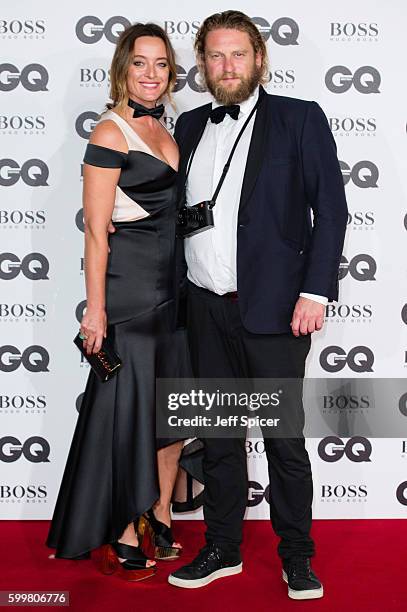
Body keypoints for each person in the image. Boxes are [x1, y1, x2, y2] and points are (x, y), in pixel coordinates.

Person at [168, 11, 348, 599]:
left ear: (259, 59)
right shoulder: (190, 125)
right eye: (215, 56)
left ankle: (297, 556)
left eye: (237, 54)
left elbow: (332, 211)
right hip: (204, 309)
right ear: (202, 66)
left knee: (282, 441)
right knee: (218, 439)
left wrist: (315, 291)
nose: (226, 66)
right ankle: (222, 549)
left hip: (274, 312)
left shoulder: (299, 118)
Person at [46, 22, 188, 581]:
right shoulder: (109, 134)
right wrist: (95, 308)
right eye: (140, 63)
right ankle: (121, 529)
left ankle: (157, 513)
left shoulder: (167, 131)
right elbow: (96, 232)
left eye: (160, 64)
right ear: (122, 69)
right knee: (124, 413)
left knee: (169, 415)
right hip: (129, 293)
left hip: (174, 290)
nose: (151, 74)